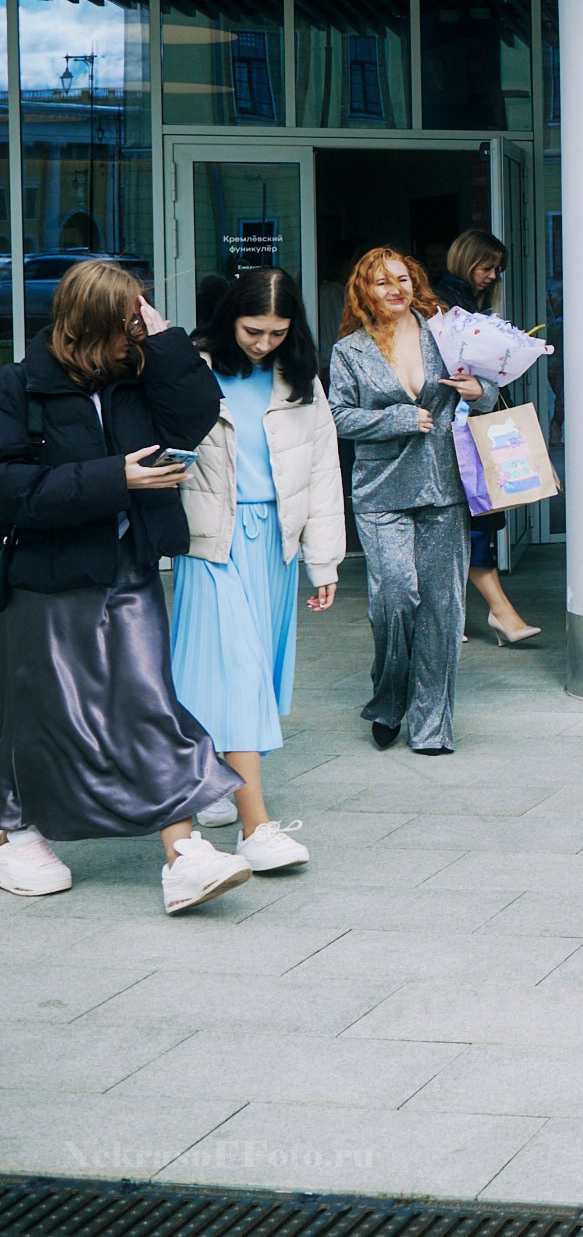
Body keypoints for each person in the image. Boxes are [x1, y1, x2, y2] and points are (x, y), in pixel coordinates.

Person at [0, 260, 250, 913]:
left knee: (149, 703)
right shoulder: (19, 387)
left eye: (140, 321)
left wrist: (165, 339)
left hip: (130, 567)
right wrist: (120, 478)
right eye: (124, 325)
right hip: (47, 582)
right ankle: (16, 830)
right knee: (41, 714)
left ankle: (183, 853)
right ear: (85, 326)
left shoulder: (141, 375)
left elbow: (196, 415)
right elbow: (13, 494)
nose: (132, 338)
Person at [170, 268, 342, 878]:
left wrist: (324, 559)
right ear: (229, 319)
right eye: (252, 329)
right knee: (234, 670)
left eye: (276, 330)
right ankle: (256, 828)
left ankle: (216, 782)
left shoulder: (301, 379)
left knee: (255, 674)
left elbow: (323, 470)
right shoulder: (192, 367)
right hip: (211, 538)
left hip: (274, 542)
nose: (263, 342)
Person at [330, 248, 483, 754]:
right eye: (381, 283)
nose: (395, 289)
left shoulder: (447, 333)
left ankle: (432, 725)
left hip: (444, 485)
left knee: (443, 608)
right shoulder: (350, 351)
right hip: (382, 491)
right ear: (363, 293)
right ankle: (390, 697)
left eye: (403, 279)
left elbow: (491, 382)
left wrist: (478, 389)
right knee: (394, 598)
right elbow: (338, 416)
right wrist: (395, 419)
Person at [433, 230, 539, 647]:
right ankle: (501, 614)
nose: (493, 276)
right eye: (486, 267)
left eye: (497, 269)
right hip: (453, 434)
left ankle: (455, 616)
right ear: (465, 263)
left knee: (470, 519)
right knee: (471, 519)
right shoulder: (440, 307)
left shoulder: (467, 308)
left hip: (471, 428)